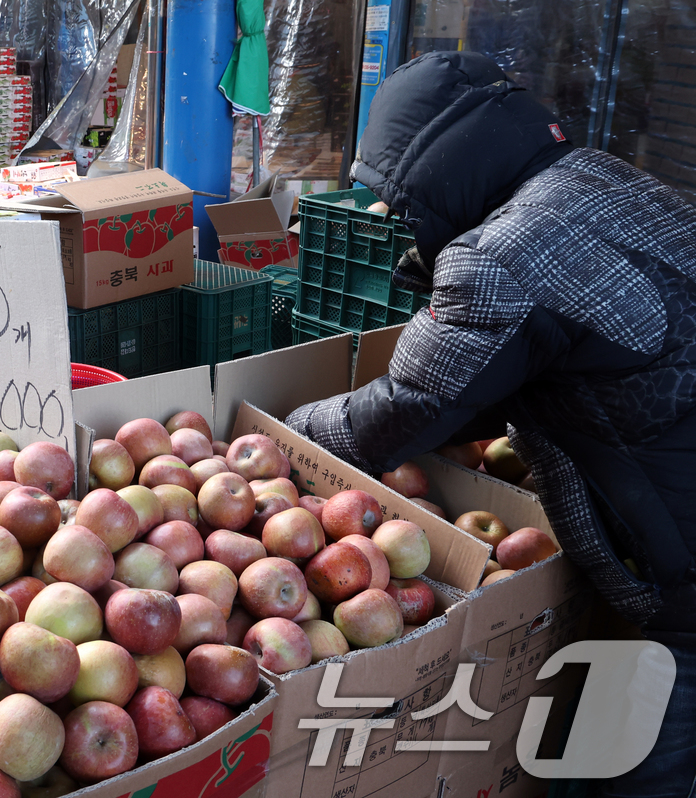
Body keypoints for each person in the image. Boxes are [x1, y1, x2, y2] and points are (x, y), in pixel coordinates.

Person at [283, 51, 696, 794]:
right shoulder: (597, 177)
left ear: (433, 171)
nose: (398, 218)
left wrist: (283, 434)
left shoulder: (503, 255)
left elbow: (408, 410)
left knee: (629, 767)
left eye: (400, 199)